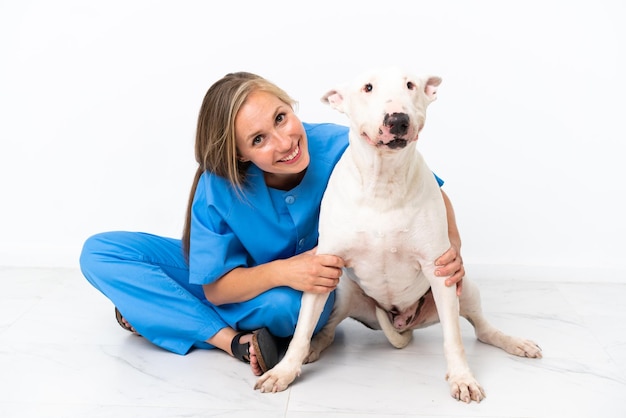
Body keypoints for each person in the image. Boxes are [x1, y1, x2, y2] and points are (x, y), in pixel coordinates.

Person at [79, 71, 465, 377]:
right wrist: (284, 270)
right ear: (240, 154)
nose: (284, 142)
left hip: (301, 292)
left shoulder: (342, 144)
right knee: (101, 251)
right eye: (259, 139)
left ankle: (163, 312)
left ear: (291, 106)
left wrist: (452, 250)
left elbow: (429, 187)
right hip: (243, 279)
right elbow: (215, 286)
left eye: (282, 118)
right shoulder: (220, 183)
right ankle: (230, 339)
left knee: (289, 310)